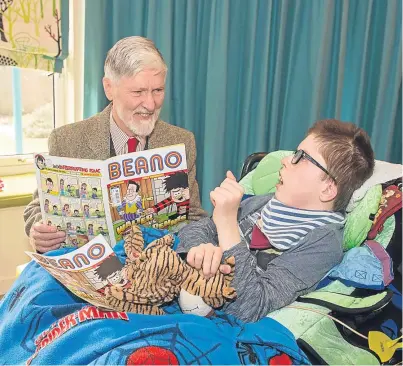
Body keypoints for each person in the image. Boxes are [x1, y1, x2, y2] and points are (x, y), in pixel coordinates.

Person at [177, 119, 375, 323]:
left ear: (327, 189)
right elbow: (194, 229)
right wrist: (202, 250)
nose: (286, 160)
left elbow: (250, 309)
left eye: (301, 157)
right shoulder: (265, 202)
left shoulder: (322, 245)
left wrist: (227, 223)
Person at [24, 36, 207, 253]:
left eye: (158, 91)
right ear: (109, 88)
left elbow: (194, 217)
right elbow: (37, 208)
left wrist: (199, 247)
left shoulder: (180, 142)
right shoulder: (66, 140)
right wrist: (39, 232)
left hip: (155, 271)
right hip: (89, 268)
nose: (150, 104)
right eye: (138, 92)